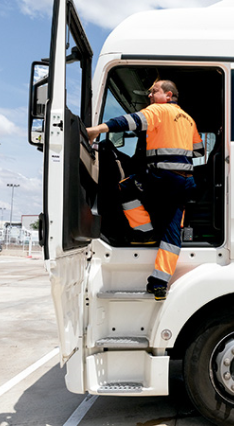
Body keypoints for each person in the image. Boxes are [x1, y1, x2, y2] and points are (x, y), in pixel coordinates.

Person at [87, 80, 204, 301]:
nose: (150, 95)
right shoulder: (188, 119)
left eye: (154, 91)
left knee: (125, 187)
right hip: (185, 182)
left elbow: (128, 121)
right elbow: (199, 150)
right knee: (171, 231)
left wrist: (97, 130)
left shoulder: (158, 110)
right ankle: (159, 284)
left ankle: (144, 232)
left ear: (168, 95)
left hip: (161, 177)